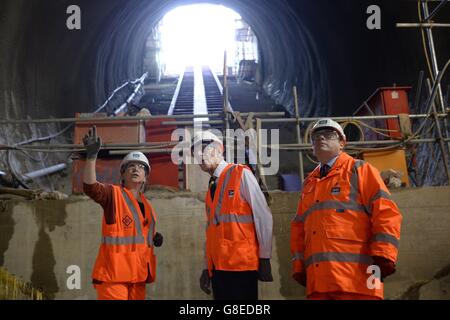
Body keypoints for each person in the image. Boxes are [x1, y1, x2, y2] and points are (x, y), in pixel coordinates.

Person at [290, 118, 402, 300]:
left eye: (328, 135)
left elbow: (386, 212)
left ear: (342, 142)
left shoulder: (360, 170)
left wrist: (384, 254)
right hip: (319, 286)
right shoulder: (309, 184)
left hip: (358, 282)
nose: (321, 139)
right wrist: (299, 266)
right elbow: (299, 229)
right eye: (316, 137)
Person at [82, 125, 163, 300]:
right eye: (131, 166)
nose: (135, 169)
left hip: (138, 278)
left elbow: (139, 233)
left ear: (145, 177)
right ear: (123, 175)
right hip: (114, 278)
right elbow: (90, 188)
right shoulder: (113, 195)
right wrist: (91, 157)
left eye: (140, 167)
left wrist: (155, 236)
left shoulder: (148, 206)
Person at [192, 130, 273, 300]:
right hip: (219, 268)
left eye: (204, 148)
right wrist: (207, 266)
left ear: (219, 150)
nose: (199, 154)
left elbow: (263, 215)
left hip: (241, 266)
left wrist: (264, 257)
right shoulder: (212, 189)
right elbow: (212, 231)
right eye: (195, 152)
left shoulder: (240, 174)